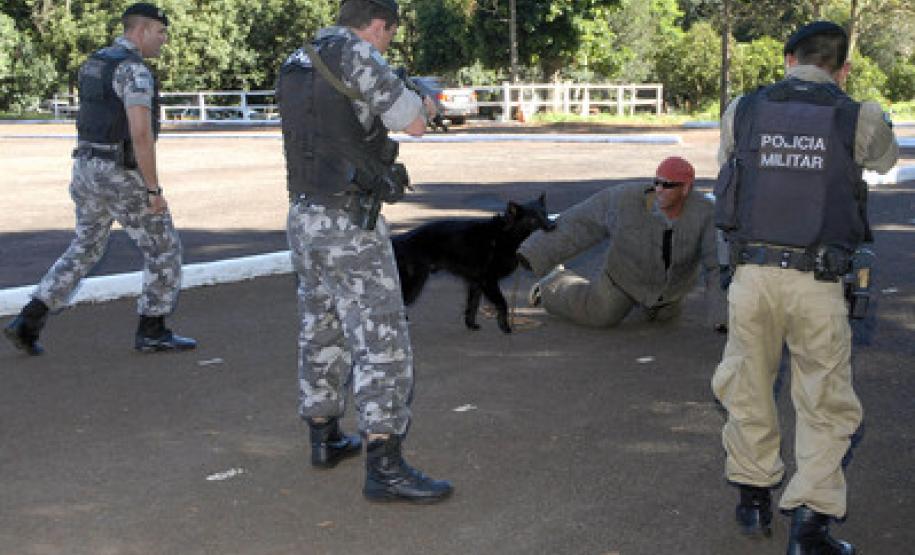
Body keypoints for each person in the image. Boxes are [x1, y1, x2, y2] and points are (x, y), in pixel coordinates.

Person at [711, 21, 898, 554]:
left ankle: (752, 500)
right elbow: (885, 163)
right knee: (824, 400)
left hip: (750, 277)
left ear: (788, 58)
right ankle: (809, 529)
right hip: (818, 283)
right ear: (844, 69)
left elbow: (730, 174)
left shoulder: (742, 110)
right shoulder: (856, 114)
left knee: (746, 385)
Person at [275, 0, 452, 503]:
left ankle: (324, 435)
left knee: (321, 323)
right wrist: (427, 104)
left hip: (304, 213)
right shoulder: (358, 56)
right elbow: (412, 121)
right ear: (377, 26)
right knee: (381, 336)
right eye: (388, 35)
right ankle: (385, 464)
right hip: (349, 220)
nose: (387, 44)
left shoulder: (296, 60)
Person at [3, 3, 196, 355]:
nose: (164, 40)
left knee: (85, 247)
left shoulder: (95, 63)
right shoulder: (133, 69)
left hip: (86, 168)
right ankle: (152, 329)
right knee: (164, 248)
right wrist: (153, 190)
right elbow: (140, 134)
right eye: (161, 32)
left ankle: (28, 320)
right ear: (141, 30)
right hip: (119, 173)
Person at [517, 156, 726, 330]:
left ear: (686, 188)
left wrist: (722, 317)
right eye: (657, 182)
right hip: (624, 277)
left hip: (671, 290)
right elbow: (583, 220)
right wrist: (535, 252)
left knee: (665, 320)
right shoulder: (626, 200)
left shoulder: (705, 213)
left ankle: (653, 306)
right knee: (600, 314)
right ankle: (552, 284)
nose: (660, 189)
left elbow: (716, 265)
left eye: (668, 185)